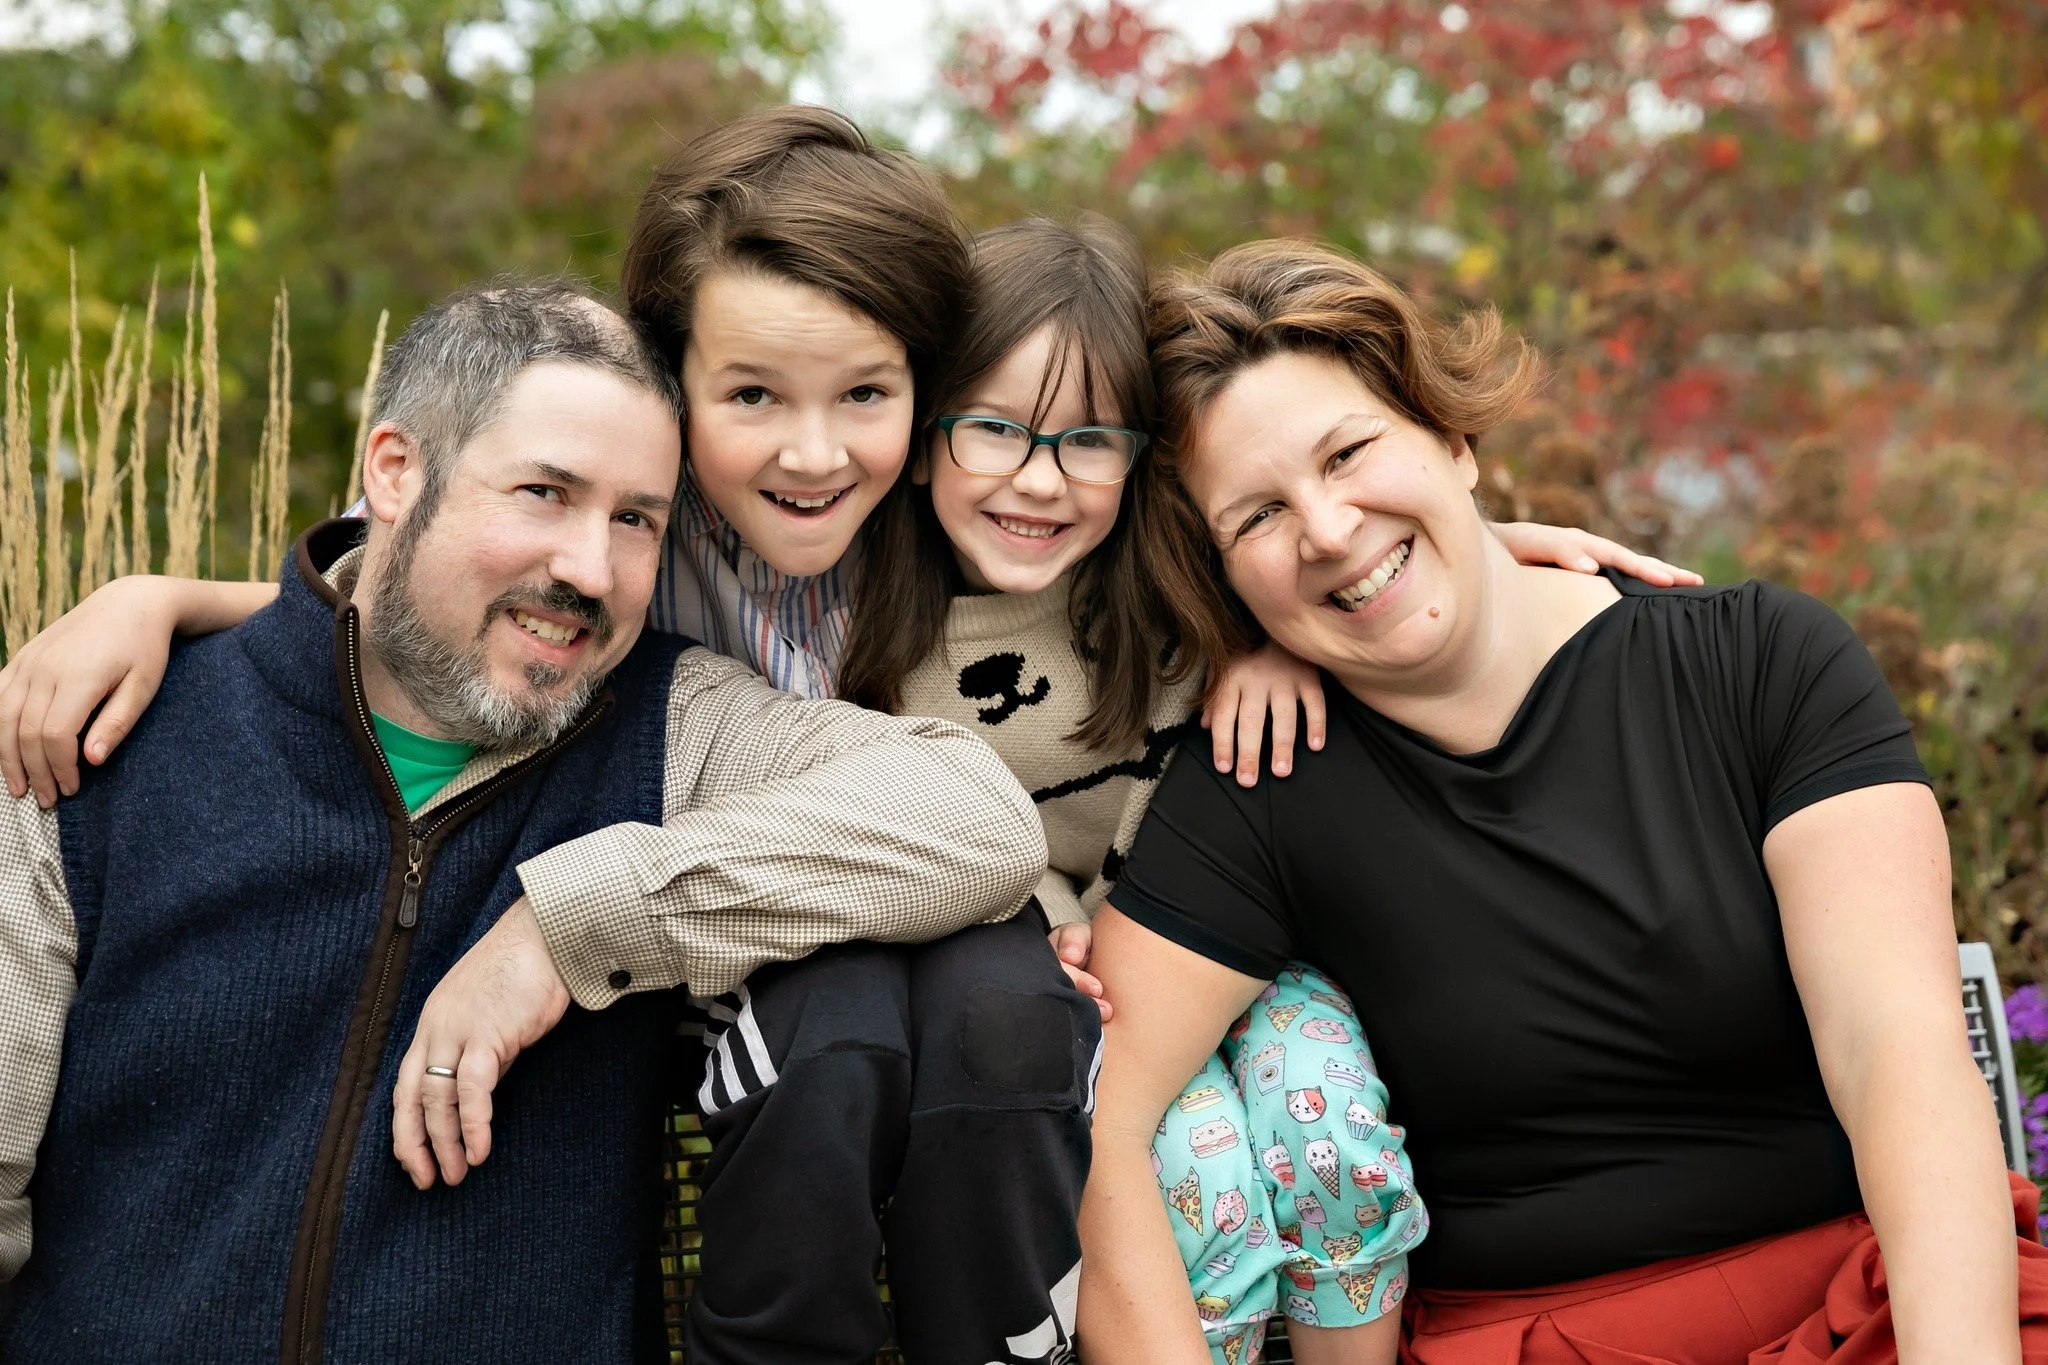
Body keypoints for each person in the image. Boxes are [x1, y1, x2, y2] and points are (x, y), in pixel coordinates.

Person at [0, 107, 1698, 1361]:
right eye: (749, 403)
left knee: (1002, 1013)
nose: (812, 454)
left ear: (916, 391)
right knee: (872, 1019)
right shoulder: (637, 569)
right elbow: (421, 585)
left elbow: (1204, 498)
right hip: (786, 979)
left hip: (1042, 952)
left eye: (866, 400)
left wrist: (1486, 547)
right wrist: (169, 597)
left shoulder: (957, 532)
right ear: (679, 387)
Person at [0, 279, 1046, 1363]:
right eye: (545, 493)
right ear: (396, 472)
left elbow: (974, 814)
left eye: (636, 519)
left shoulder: (669, 732)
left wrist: (569, 928)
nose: (589, 570)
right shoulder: (102, 742)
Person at [1077, 238, 2048, 1363]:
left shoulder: (1761, 665)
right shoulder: (1262, 780)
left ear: (1449, 437)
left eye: (1348, 453)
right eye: (1255, 517)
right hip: (1537, 1338)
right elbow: (1102, 1113)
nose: (1329, 530)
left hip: (1866, 1298)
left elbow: (1896, 1047)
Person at [838, 214, 1429, 1365]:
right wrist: (1031, 931)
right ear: (921, 439)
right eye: (995, 430)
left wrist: (1270, 646)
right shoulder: (871, 649)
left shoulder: (1184, 583)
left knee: (1331, 1133)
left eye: (1087, 441)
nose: (1037, 480)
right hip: (1080, 1001)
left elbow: (1369, 554)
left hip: (1245, 965)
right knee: (1196, 1171)